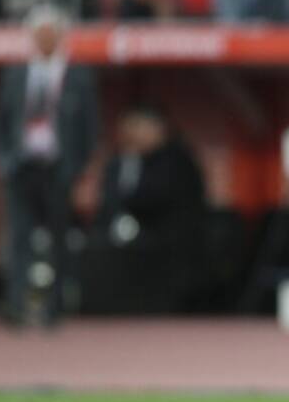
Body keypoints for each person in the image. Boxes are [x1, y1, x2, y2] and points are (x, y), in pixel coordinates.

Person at [0, 5, 99, 326]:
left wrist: (76, 167)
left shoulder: (77, 75)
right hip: (21, 166)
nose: (46, 40)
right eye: (40, 34)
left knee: (58, 237)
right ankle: (16, 304)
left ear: (61, 37)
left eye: (52, 34)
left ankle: (55, 306)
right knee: (19, 237)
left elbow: (89, 128)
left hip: (58, 167)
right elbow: (0, 121)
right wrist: (3, 159)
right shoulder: (16, 73)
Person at [82, 104, 207, 313]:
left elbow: (160, 200)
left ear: (158, 128)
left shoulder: (177, 160)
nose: (130, 134)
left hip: (164, 240)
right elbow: (108, 202)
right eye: (126, 128)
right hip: (119, 238)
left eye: (137, 127)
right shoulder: (118, 162)